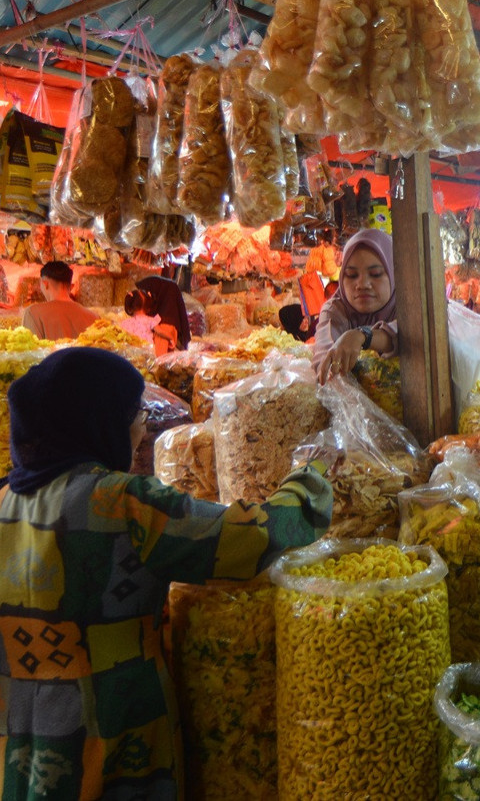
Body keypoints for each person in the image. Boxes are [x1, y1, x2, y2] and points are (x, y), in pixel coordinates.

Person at [0, 346, 332, 799]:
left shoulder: (4, 501)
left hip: (23, 743)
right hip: (114, 737)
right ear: (98, 421)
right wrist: (310, 476)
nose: (141, 425)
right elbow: (249, 541)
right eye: (133, 411)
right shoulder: (121, 502)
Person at [313, 227, 397, 385]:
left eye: (375, 274)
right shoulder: (335, 309)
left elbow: (410, 336)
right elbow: (324, 358)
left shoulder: (408, 303)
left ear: (393, 274)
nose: (362, 285)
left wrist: (363, 336)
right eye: (351, 275)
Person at [22, 260, 96, 340]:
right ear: (71, 286)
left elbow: (30, 350)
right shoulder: (93, 317)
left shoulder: (33, 313)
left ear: (45, 284)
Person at [135, 276, 191, 351]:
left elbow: (158, 359)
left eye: (147, 295)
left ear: (157, 296)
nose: (145, 301)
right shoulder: (162, 320)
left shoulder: (164, 327)